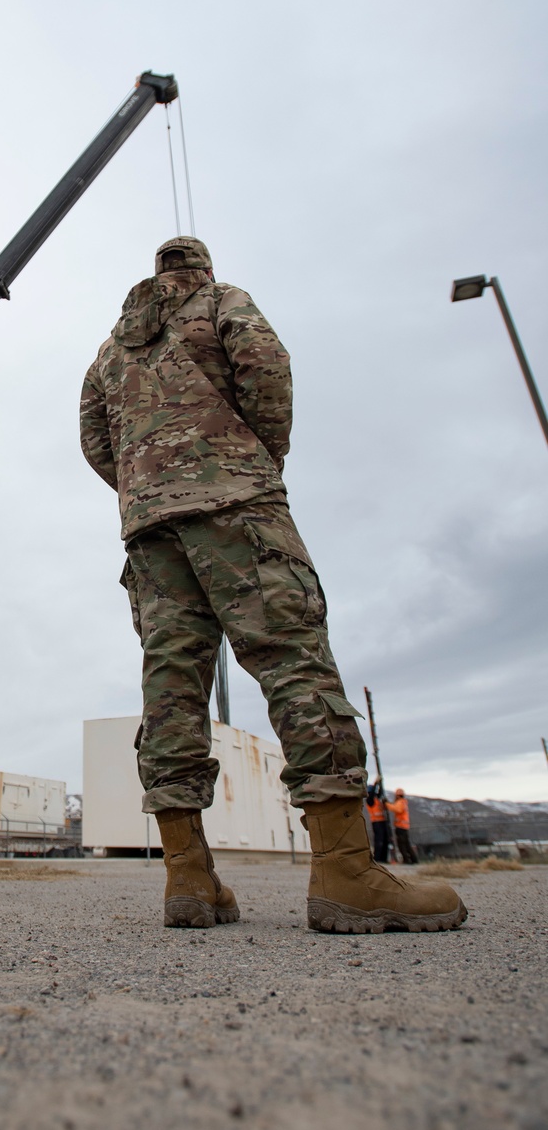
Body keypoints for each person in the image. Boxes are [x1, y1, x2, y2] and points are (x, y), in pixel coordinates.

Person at [79, 236, 465, 933]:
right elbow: (267, 367)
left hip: (150, 529)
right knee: (292, 658)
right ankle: (347, 874)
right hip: (239, 506)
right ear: (199, 267)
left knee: (170, 686)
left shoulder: (111, 351)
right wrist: (253, 457)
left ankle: (189, 880)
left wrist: (148, 487)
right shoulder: (223, 302)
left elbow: (95, 440)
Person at [388, 788, 418, 864]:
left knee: (402, 845)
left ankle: (407, 860)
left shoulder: (400, 802)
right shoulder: (403, 802)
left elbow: (397, 809)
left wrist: (386, 804)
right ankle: (413, 859)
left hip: (400, 827)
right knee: (407, 844)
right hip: (404, 826)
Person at [366, 781, 390, 862]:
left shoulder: (376, 799)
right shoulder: (369, 800)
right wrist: (376, 783)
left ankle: (384, 858)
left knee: (385, 840)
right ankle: (377, 858)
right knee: (379, 840)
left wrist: (379, 784)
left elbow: (380, 792)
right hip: (376, 822)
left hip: (382, 821)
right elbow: (372, 794)